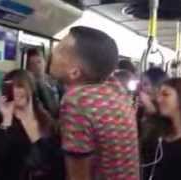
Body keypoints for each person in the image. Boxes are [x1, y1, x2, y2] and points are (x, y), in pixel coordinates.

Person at [50, 26, 139, 179]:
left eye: (60, 50)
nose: (53, 52)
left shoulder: (77, 102)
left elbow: (78, 176)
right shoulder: (115, 90)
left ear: (75, 72)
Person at [0, 70, 64, 180]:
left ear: (30, 89)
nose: (15, 92)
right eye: (11, 87)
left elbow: (55, 161)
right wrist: (7, 119)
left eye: (20, 86)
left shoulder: (46, 120)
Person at [26, 49, 62, 118]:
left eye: (39, 62)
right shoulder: (30, 84)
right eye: (32, 64)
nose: (37, 66)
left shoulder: (53, 79)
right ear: (29, 67)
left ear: (44, 62)